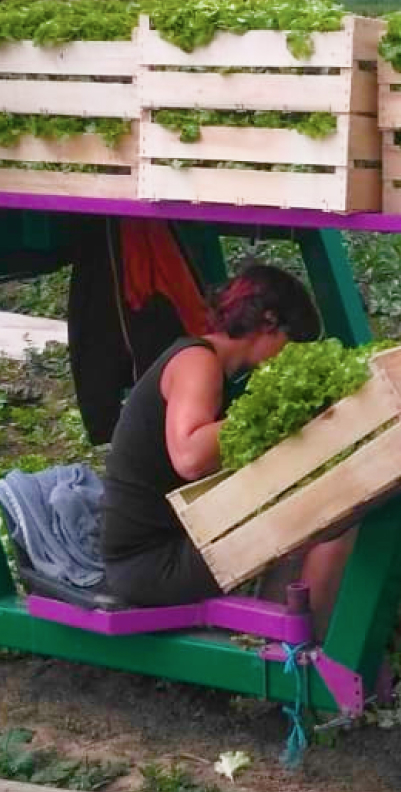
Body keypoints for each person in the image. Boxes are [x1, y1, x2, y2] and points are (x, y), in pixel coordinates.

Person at [99, 264, 353, 635]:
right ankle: (302, 654)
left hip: (166, 548)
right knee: (337, 524)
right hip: (151, 564)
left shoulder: (216, 368)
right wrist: (273, 411)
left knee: (312, 516)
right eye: (292, 341)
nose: (290, 357)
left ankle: (278, 636)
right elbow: (190, 456)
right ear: (269, 322)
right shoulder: (197, 362)